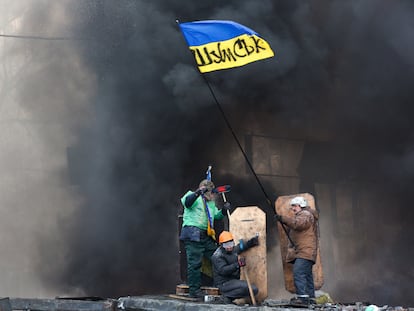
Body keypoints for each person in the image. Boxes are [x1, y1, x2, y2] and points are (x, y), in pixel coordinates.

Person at [179, 178, 229, 299]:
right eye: (210, 193)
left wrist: (224, 210)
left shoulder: (210, 204)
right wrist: (198, 192)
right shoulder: (192, 195)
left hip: (206, 236)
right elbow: (187, 202)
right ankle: (194, 291)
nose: (212, 195)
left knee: (217, 256)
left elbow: (216, 216)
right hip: (193, 233)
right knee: (195, 264)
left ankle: (220, 284)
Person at [276, 196, 319, 304]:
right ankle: (311, 298)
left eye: (295, 206)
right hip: (306, 251)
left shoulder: (305, 214)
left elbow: (297, 224)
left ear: (301, 205)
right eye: (292, 206)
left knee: (298, 272)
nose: (293, 209)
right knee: (307, 274)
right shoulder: (306, 215)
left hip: (305, 251)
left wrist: (282, 219)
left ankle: (303, 298)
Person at [211, 230, 259, 304]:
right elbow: (223, 270)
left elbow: (241, 247)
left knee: (254, 289)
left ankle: (228, 297)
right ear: (221, 245)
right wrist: (237, 265)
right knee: (249, 288)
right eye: (226, 245)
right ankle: (226, 297)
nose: (229, 247)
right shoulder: (217, 256)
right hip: (223, 284)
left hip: (233, 281)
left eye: (231, 243)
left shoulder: (233, 250)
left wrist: (251, 242)